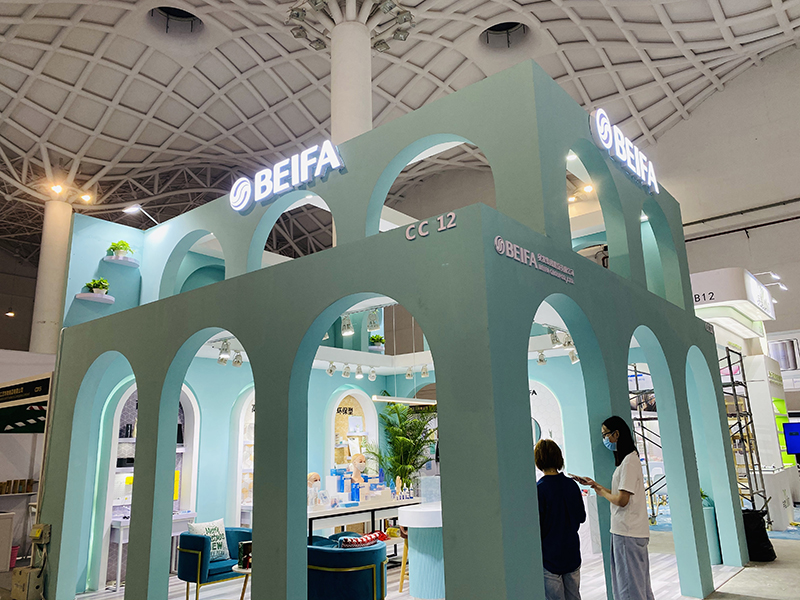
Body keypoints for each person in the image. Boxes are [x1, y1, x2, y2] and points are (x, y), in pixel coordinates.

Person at [571, 416, 655, 600]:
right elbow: (620, 494)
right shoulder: (629, 460)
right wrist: (596, 486)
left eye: (605, 434)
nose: (604, 439)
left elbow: (622, 500)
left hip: (627, 532)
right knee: (638, 585)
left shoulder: (629, 462)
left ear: (616, 434)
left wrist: (602, 492)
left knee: (629, 588)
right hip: (630, 532)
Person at [535, 439, 586, 600]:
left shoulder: (539, 490)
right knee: (574, 596)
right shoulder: (571, 485)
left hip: (549, 557)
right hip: (572, 553)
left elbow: (538, 527)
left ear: (538, 461)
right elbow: (581, 517)